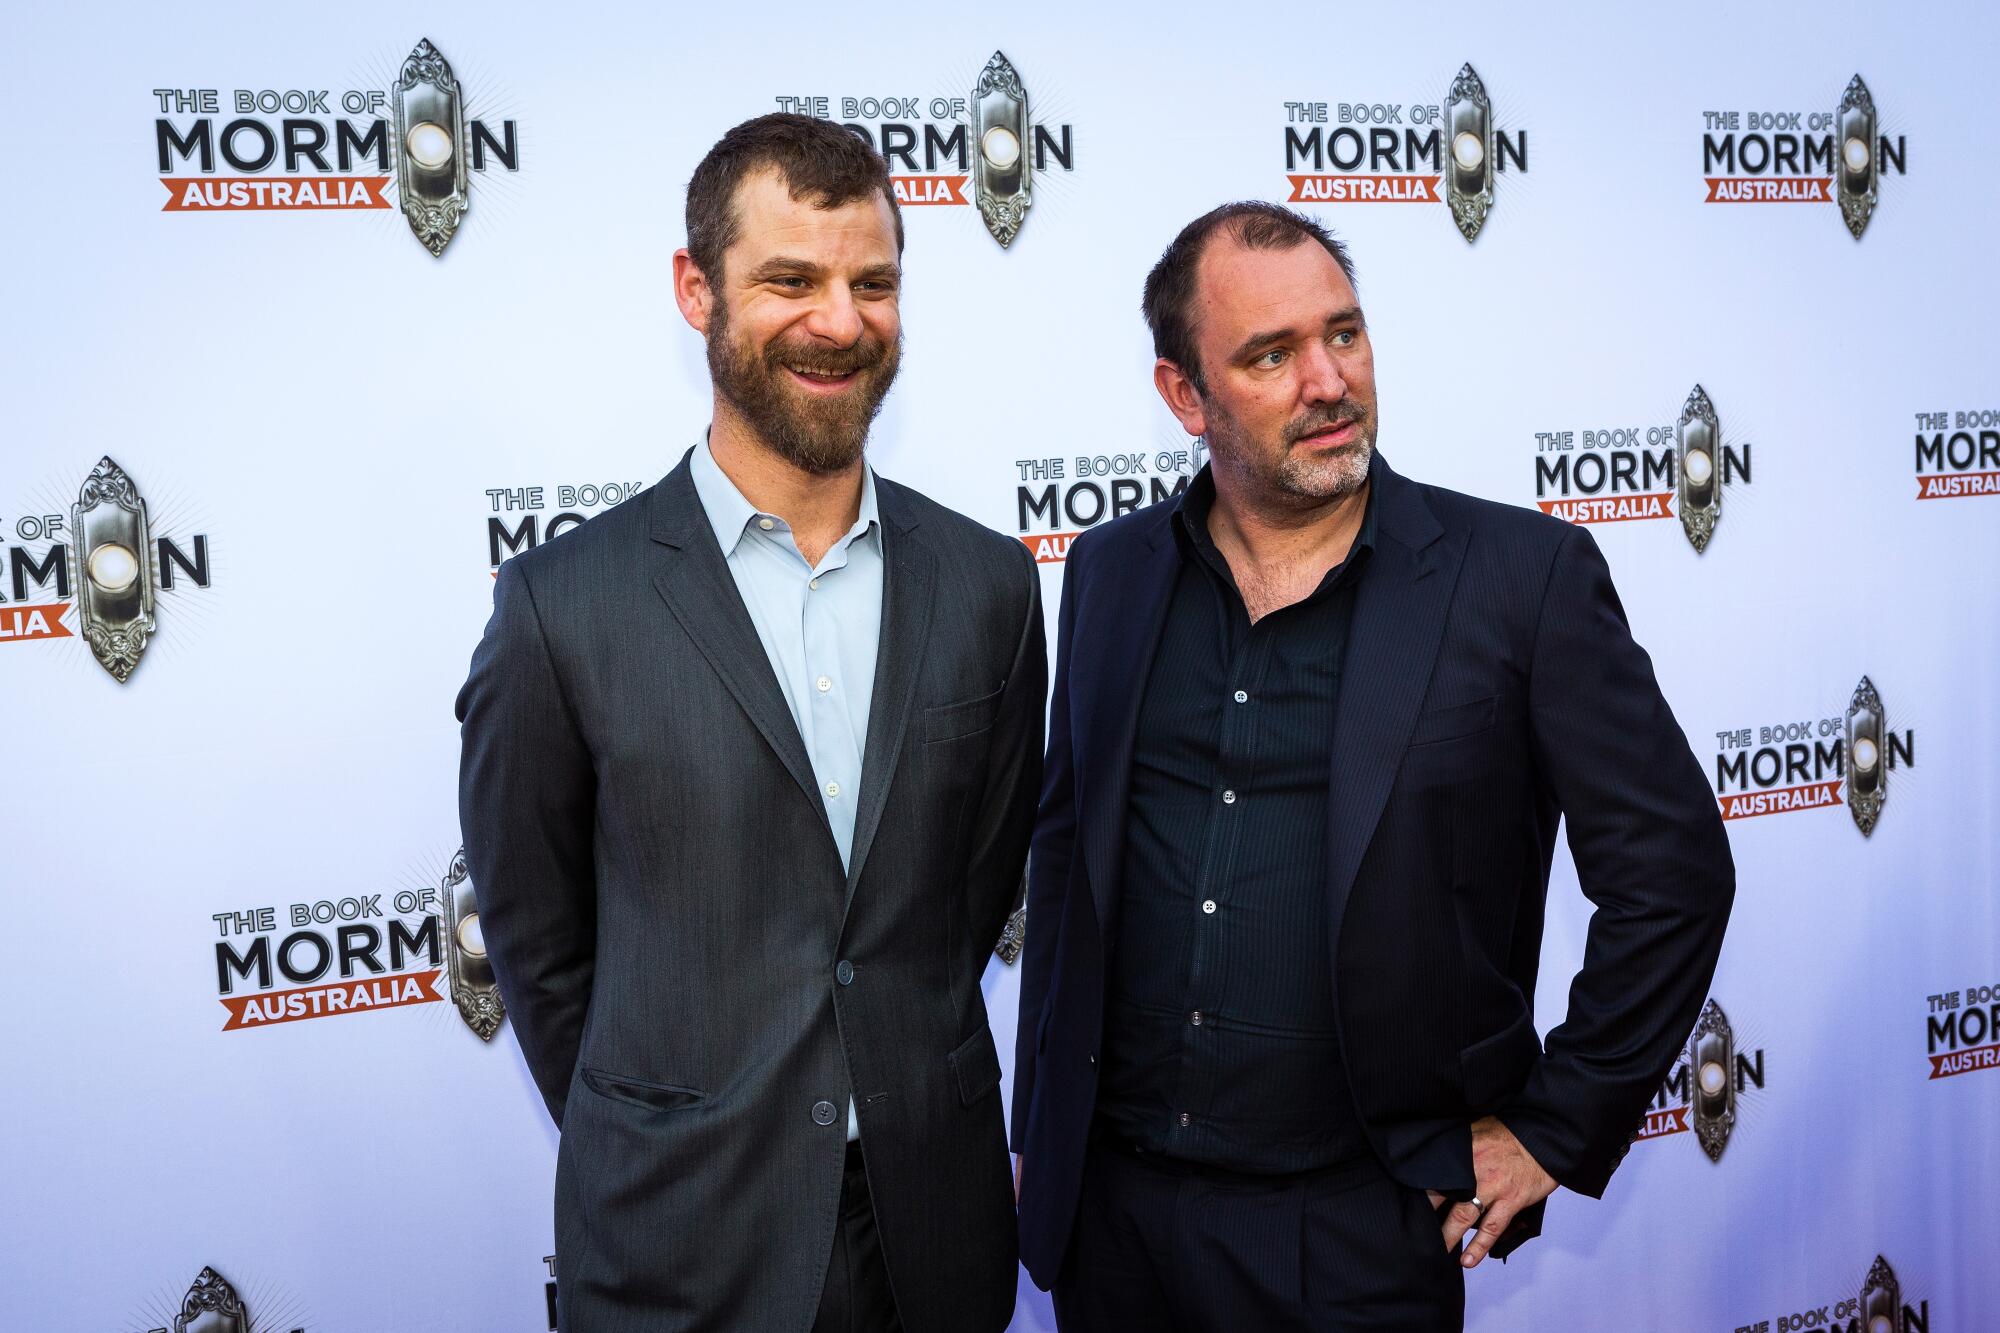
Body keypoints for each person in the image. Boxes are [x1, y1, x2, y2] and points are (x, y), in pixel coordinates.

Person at [1011, 201, 1734, 1330]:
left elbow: (1673, 873)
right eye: (1270, 354)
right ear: (1182, 396)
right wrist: (1036, 1132)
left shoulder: (1516, 579)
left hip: (1358, 1231)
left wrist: (1552, 1125)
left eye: (1341, 334)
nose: (1327, 380)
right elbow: (1064, 865)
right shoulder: (1107, 574)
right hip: (1115, 1225)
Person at [457, 113, 1042, 1333]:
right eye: (789, 279)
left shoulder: (990, 582)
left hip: (934, 1239)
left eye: (870, 282)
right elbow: (536, 940)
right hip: (681, 1248)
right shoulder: (563, 606)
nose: (839, 321)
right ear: (695, 290)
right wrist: (670, 1127)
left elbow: (967, 895)